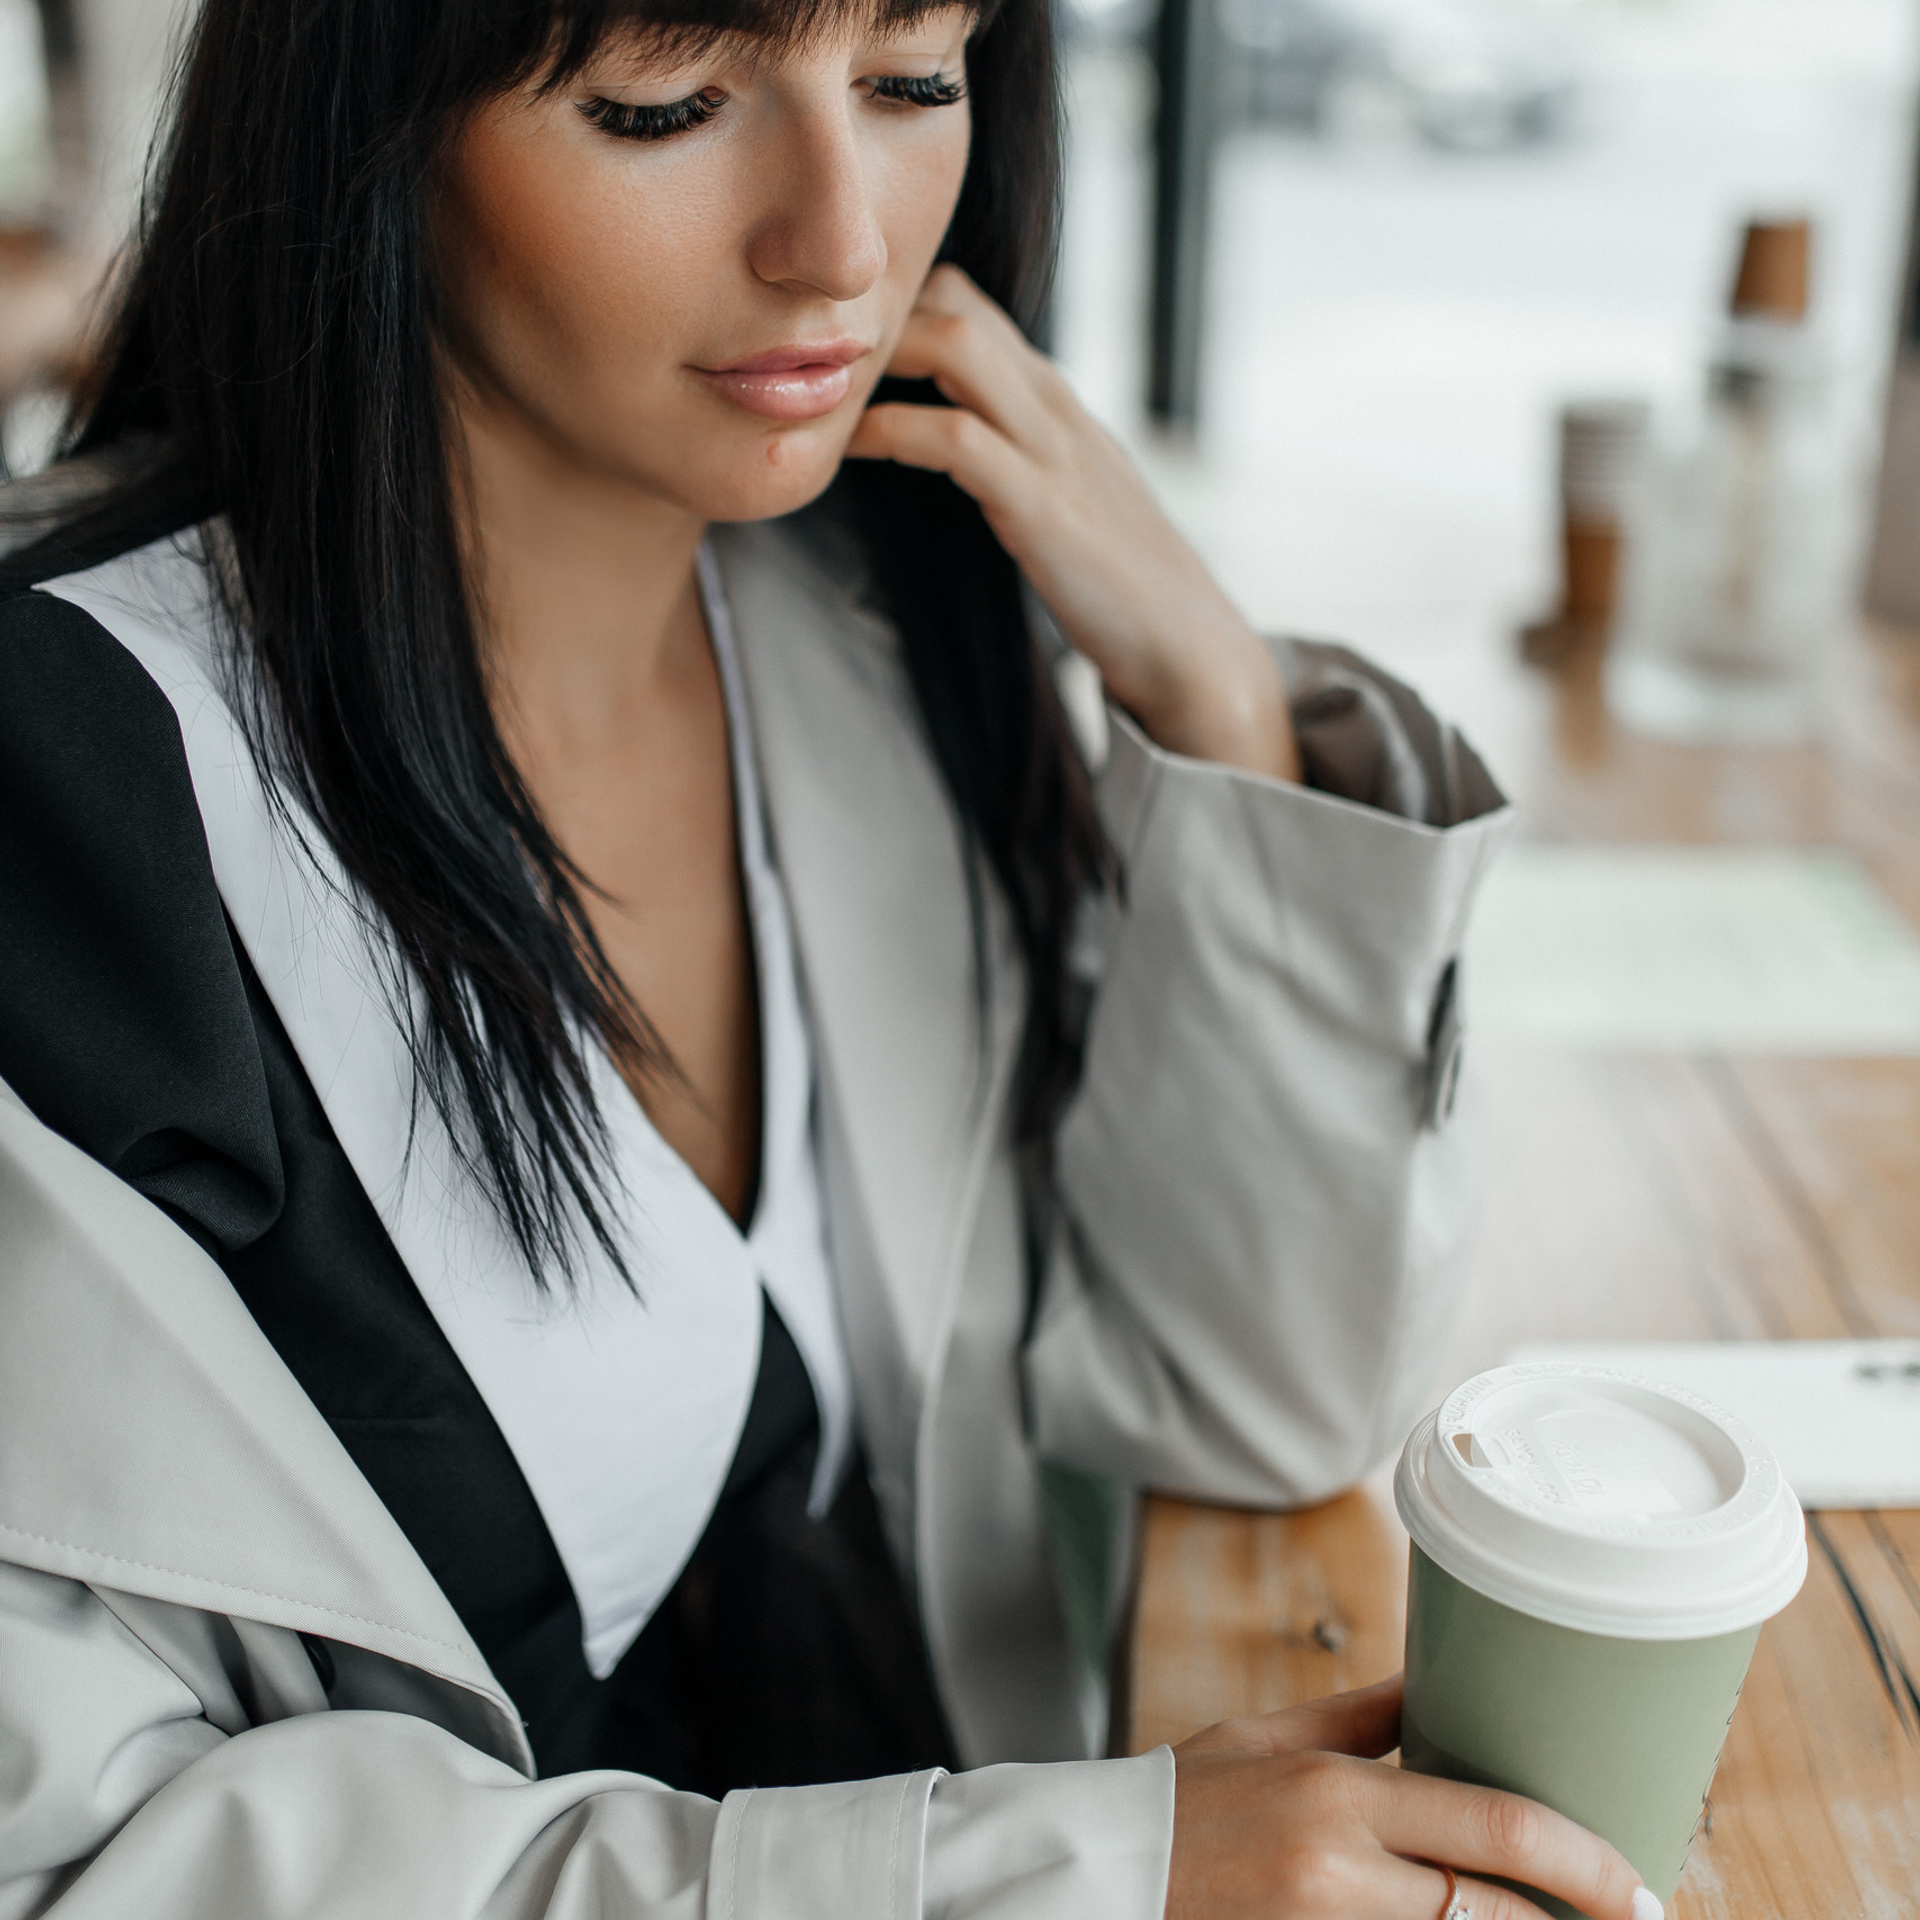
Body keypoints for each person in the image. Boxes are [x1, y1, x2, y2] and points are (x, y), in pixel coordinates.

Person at [0, 0, 1658, 1916]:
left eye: (912, 81)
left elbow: (1249, 1386)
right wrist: (1074, 1880)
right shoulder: (74, 798)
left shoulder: (845, 617)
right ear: (362, 125)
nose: (845, 241)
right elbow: (79, 1863)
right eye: (667, 103)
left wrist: (1221, 714)